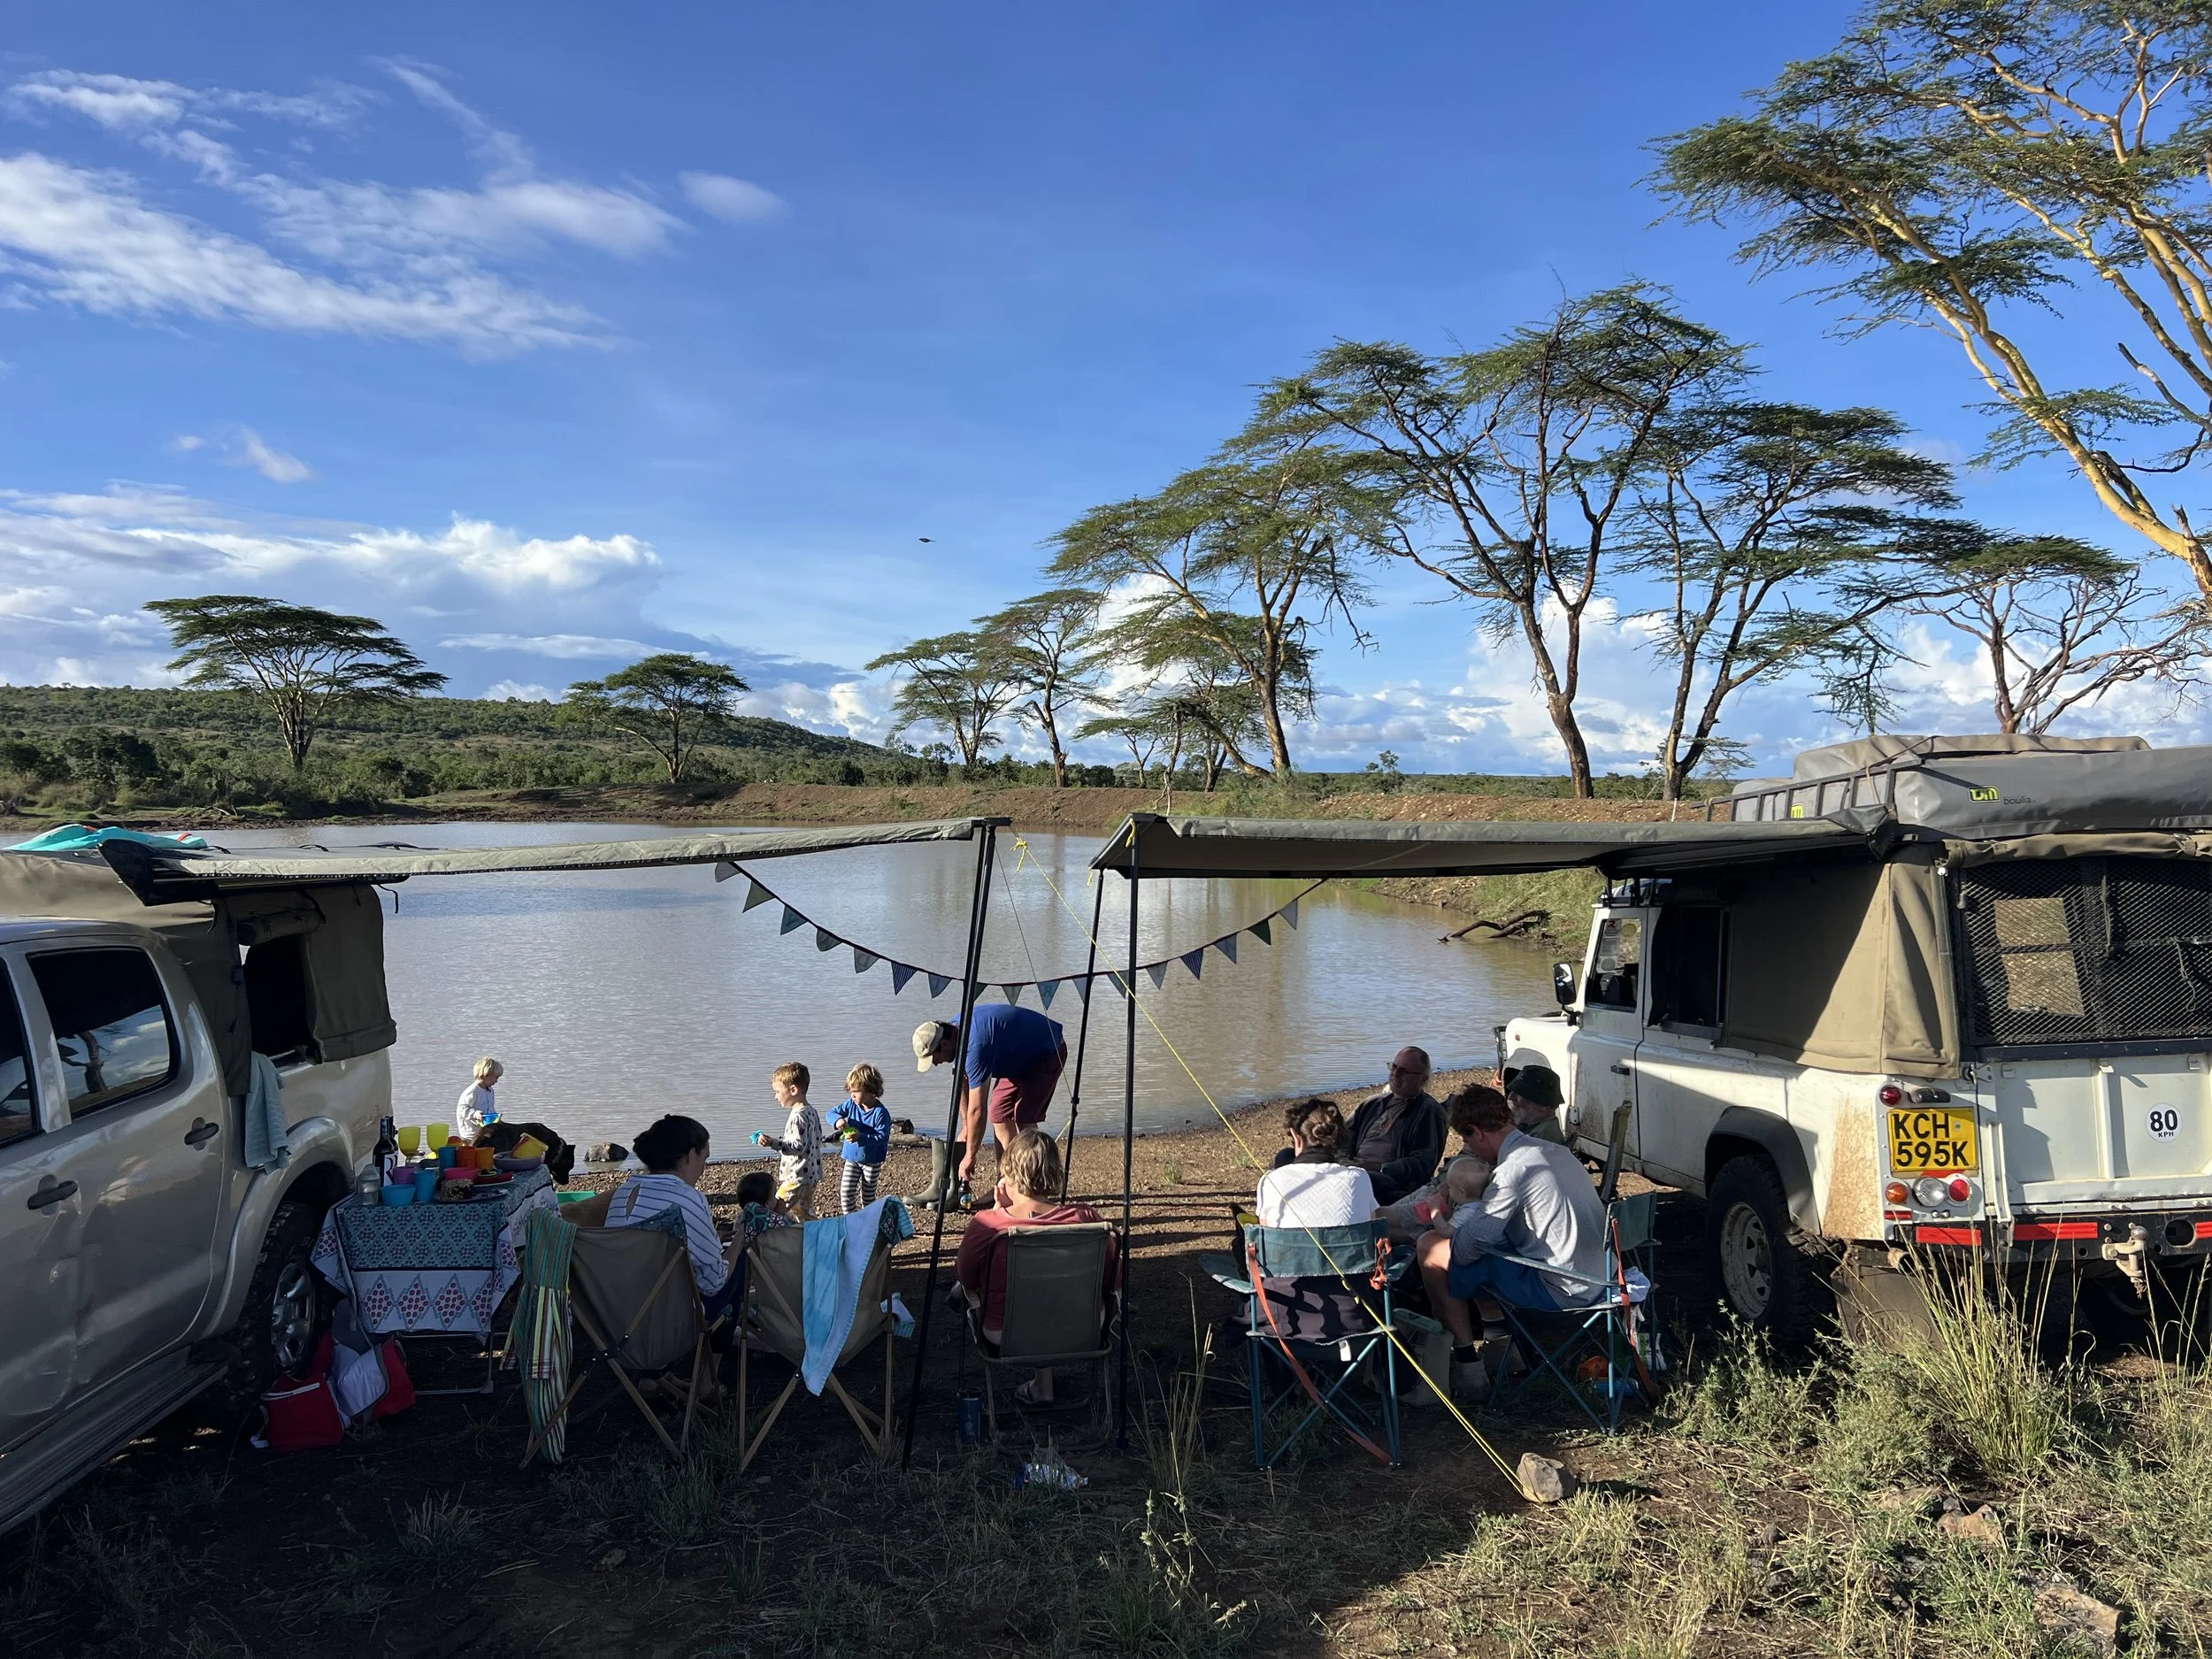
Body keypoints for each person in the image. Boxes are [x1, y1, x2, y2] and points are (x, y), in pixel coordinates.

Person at [1415, 1088, 1608, 1397]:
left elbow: (1466, 1250)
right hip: (1605, 1281)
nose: (1471, 1151)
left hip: (1563, 1292)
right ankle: (1501, 1347)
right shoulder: (1556, 1152)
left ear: (1477, 1132)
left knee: (1431, 1246)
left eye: (1468, 1142)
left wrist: (1451, 1218)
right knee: (1492, 1241)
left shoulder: (1512, 1171)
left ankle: (1469, 1367)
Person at [953, 1129, 1115, 1405]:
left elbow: (967, 1278)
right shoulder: (1085, 1218)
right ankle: (1044, 1385)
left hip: (1006, 1335)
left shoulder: (988, 1224)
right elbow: (1112, 1276)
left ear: (1009, 1172)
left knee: (978, 1293)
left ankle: (1040, 1388)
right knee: (1050, 1289)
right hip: (1082, 1329)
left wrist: (996, 1211)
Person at [914, 1006, 1068, 1189]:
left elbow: (978, 1110)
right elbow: (963, 1078)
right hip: (1017, 1057)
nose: (936, 1064)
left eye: (934, 1058)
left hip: (1047, 1050)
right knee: (1000, 1112)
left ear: (944, 1044)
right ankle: (1006, 1183)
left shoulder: (975, 1045)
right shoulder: (955, 1033)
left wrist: (970, 1155)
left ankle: (1037, 1183)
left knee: (1024, 1117)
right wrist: (965, 1127)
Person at [605, 1114, 741, 1323]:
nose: (704, 1170)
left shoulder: (622, 1193)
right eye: (704, 1159)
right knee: (740, 1258)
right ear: (690, 1155)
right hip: (666, 1324)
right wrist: (741, 1237)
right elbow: (714, 1283)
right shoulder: (688, 1199)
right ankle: (715, 1349)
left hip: (615, 1318)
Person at [1302, 1047, 1444, 1207]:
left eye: (1404, 1071)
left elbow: (1423, 1162)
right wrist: (1342, 1160)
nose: (1395, 1073)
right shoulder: (1373, 1103)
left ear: (1422, 1079)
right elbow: (1343, 1137)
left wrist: (1381, 1168)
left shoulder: (1428, 1111)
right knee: (1290, 1158)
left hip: (1389, 1181)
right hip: (1352, 1168)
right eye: (1394, 1067)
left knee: (1359, 1181)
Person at [1378, 1084, 1504, 1241]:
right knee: (1381, 1220)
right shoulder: (1486, 1145)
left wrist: (1443, 1201)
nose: (1464, 1140)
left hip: (1444, 1200)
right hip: (1437, 1188)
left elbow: (1450, 1230)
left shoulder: (1494, 1158)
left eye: (1466, 1137)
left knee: (1378, 1218)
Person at [1255, 1099, 1379, 1228]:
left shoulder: (1270, 1181)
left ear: (1297, 1139)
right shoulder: (1358, 1178)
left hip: (1286, 1248)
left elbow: (1265, 1232)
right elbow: (1372, 1227)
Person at [752, 1062, 823, 1221]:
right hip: (811, 1175)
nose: (775, 1096)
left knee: (776, 1207)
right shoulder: (811, 1111)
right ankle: (810, 1238)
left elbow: (797, 1147)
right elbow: (818, 1138)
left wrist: (773, 1143)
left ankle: (770, 1237)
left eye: (777, 1091)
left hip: (796, 1176)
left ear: (793, 1090)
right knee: (804, 1212)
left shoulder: (798, 1116)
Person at [827, 1063, 893, 1215]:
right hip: (852, 1157)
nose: (852, 1095)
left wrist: (861, 1137)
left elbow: (883, 1137)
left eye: (856, 1092)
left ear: (871, 1091)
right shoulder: (851, 1104)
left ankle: (868, 1221)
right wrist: (838, 1121)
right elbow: (831, 1113)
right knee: (846, 1193)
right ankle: (850, 1220)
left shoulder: (881, 1113)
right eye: (851, 1091)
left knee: (868, 1196)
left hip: (872, 1160)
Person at [1502, 1064, 1568, 1145]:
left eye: (1520, 1093)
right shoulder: (1532, 1126)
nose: (1510, 1097)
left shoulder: (1543, 1138)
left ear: (1544, 1106)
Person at [734, 1169, 797, 1242]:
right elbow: (792, 1233)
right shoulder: (773, 1221)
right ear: (767, 1204)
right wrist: (783, 1215)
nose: (777, 1199)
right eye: (774, 1195)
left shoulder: (741, 1219)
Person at [455, 1056, 502, 1141]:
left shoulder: (490, 1090)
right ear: (485, 1075)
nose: (496, 1081)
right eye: (495, 1078)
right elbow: (462, 1109)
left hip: (485, 1130)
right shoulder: (473, 1092)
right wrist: (474, 1114)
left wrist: (495, 1118)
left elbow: (490, 1108)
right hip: (471, 1132)